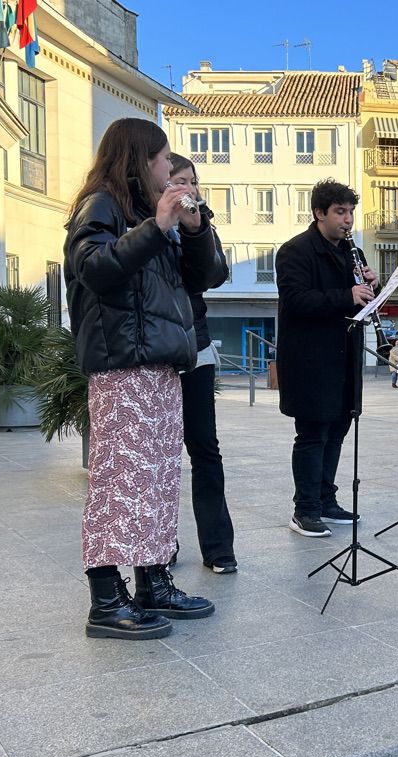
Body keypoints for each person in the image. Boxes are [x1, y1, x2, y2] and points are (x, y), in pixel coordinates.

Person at [65, 117, 225, 639]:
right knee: (119, 483)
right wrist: (155, 228)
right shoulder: (100, 206)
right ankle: (107, 601)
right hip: (121, 366)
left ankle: (154, 581)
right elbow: (96, 269)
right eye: (162, 160)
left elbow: (208, 277)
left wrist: (195, 230)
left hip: (159, 363)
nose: (169, 169)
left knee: (157, 479)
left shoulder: (150, 213)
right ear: (139, 159)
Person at [276, 179, 375, 537]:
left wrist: (369, 289)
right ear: (319, 213)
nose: (347, 220)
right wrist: (347, 294)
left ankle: (326, 499)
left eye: (350, 212)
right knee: (312, 434)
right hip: (310, 360)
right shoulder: (295, 251)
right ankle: (305, 509)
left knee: (337, 430)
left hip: (344, 356)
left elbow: (355, 302)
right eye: (340, 212)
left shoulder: (354, 254)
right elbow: (297, 301)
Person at [168, 154, 237, 574]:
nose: (189, 189)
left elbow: (215, 275)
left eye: (192, 181)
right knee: (161, 453)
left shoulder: (202, 224)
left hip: (197, 347)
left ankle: (218, 547)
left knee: (205, 448)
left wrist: (198, 230)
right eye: (178, 180)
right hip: (157, 353)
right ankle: (160, 542)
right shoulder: (147, 222)